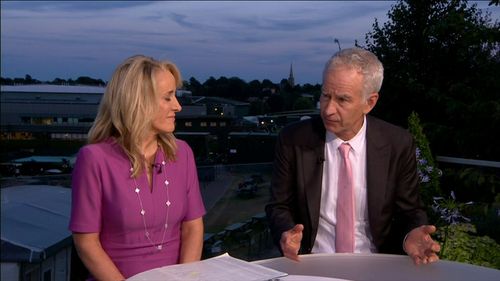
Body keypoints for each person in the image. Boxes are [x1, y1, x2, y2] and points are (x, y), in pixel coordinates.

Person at [265, 47, 440, 265]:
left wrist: (410, 236)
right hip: (311, 263)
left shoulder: (398, 143)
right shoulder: (293, 139)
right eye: (325, 95)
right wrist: (285, 233)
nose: (328, 109)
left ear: (370, 102)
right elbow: (278, 205)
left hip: (376, 266)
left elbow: (410, 211)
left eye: (342, 100)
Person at [69, 55, 206, 280]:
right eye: (167, 97)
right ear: (139, 101)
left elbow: (193, 227)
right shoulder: (94, 159)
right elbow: (86, 242)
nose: (178, 106)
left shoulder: (182, 154)